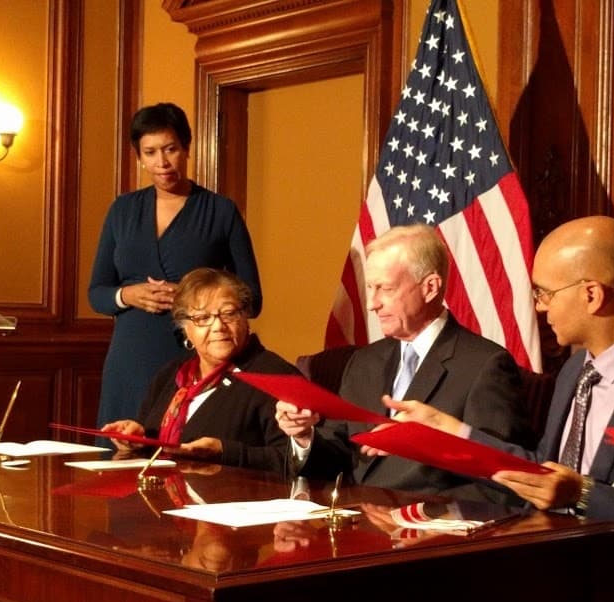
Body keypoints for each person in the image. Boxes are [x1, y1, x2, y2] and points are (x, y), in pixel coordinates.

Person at [384, 216, 614, 572]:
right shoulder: (576, 370)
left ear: (592, 295)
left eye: (545, 293)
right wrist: (453, 434)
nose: (539, 306)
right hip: (547, 568)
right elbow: (546, 474)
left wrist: (586, 496)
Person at [275, 223, 532, 499]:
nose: (373, 303)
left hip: (430, 530)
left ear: (430, 287)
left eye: (385, 288)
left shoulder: (485, 365)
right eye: (370, 288)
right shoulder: (364, 360)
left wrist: (421, 518)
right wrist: (304, 436)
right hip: (357, 523)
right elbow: (341, 453)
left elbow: (500, 479)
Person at [89, 102, 262, 439]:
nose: (162, 162)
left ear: (186, 148)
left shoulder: (220, 210)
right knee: (119, 456)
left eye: (170, 149)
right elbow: (97, 293)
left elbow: (252, 298)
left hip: (191, 355)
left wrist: (198, 294)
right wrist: (128, 295)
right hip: (129, 354)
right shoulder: (122, 210)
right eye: (150, 152)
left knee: (179, 456)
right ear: (138, 155)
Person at [102, 268, 295, 473]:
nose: (218, 326)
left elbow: (295, 461)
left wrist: (225, 452)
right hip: (161, 497)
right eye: (202, 318)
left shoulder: (276, 376)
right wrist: (138, 439)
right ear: (185, 328)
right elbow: (159, 451)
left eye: (228, 313)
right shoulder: (172, 374)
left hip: (233, 501)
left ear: (245, 317)